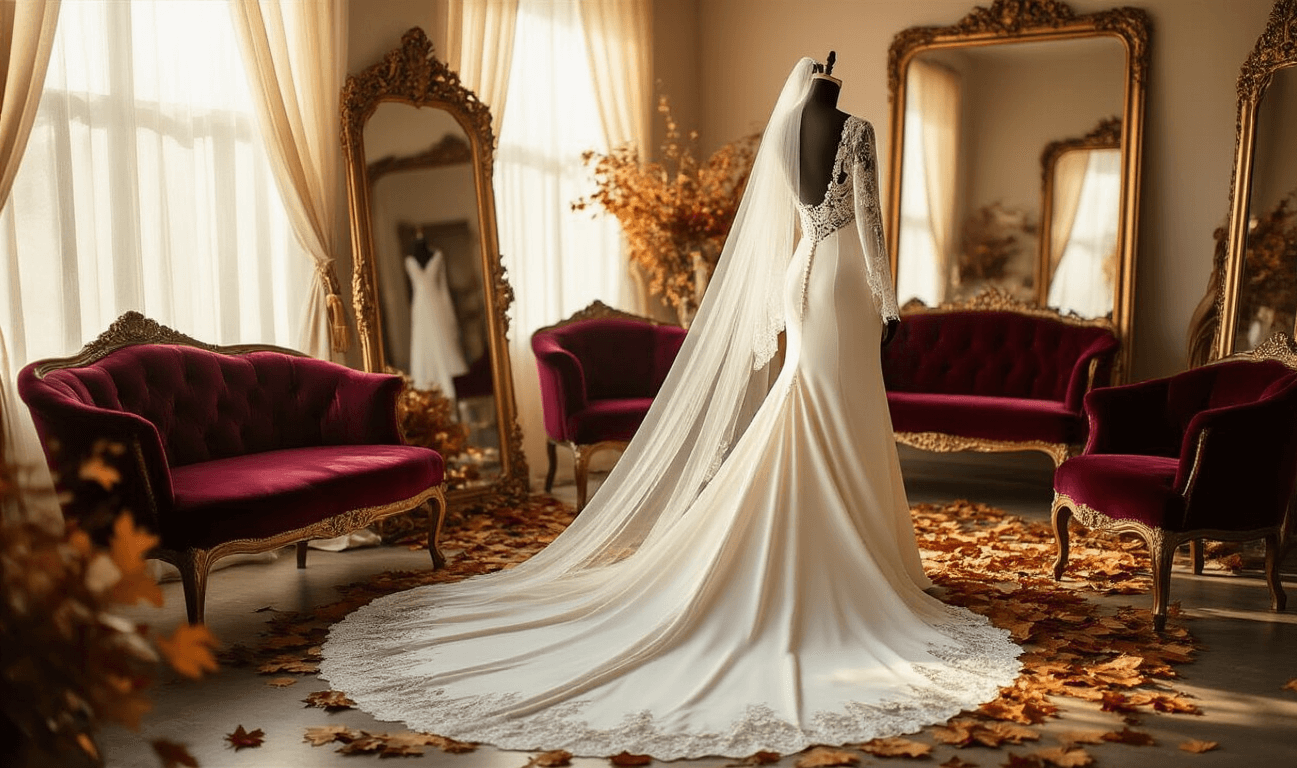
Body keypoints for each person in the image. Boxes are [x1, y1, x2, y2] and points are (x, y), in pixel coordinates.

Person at [321, 57, 1021, 760]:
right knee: (830, 401)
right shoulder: (856, 127)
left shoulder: (785, 132)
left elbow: (796, 221)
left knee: (809, 396)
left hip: (801, 274)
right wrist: (888, 299)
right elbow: (868, 221)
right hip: (841, 277)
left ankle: (821, 530)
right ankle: (843, 544)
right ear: (830, 83)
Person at [406, 230, 470, 401]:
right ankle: (427, 391)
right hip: (419, 307)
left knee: (440, 340)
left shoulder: (438, 256)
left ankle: (448, 391)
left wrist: (449, 312)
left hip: (436, 304)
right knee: (424, 343)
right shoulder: (409, 260)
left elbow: (443, 287)